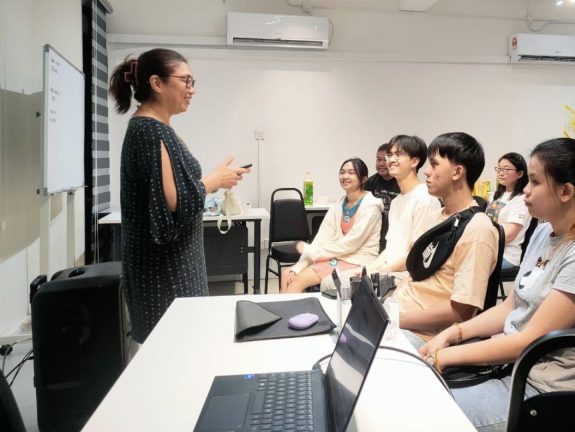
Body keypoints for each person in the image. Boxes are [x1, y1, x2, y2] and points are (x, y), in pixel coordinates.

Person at [419, 137, 575, 431]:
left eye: (534, 182)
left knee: (424, 415)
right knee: (417, 389)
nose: (526, 191)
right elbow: (511, 305)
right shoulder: (545, 232)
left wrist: (445, 356)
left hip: (548, 394)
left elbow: (528, 341)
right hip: (514, 369)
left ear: (566, 191)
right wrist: (453, 334)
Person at [109, 49, 250, 344]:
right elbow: (171, 203)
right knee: (173, 347)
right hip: (164, 271)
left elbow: (175, 191)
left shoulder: (157, 128)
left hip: (175, 264)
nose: (192, 89)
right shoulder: (148, 131)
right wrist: (214, 180)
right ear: (157, 83)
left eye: (192, 81)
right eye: (186, 80)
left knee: (182, 345)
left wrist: (216, 179)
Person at [395, 132, 499, 343]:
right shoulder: (436, 216)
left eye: (434, 164)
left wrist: (396, 320)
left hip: (421, 335)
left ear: (457, 172)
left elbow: (462, 312)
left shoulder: (478, 230)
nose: (426, 171)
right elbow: (419, 276)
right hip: (399, 313)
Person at [318, 135, 441, 291]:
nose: (390, 160)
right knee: (330, 282)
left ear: (414, 161)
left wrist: (380, 271)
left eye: (398, 155)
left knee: (336, 286)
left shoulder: (425, 198)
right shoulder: (396, 202)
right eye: (390, 155)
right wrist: (367, 269)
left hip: (406, 275)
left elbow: (418, 255)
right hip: (387, 269)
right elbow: (390, 250)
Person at [281, 158, 383, 293]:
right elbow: (321, 238)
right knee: (287, 274)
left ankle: (293, 308)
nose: (345, 176)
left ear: (363, 179)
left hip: (357, 260)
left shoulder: (371, 207)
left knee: (296, 281)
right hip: (338, 257)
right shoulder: (340, 204)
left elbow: (351, 244)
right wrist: (298, 266)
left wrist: (313, 253)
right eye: (342, 172)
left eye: (351, 172)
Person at [485, 152, 532, 276]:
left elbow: (509, 235)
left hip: (506, 256)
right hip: (488, 250)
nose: (500, 173)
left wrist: (480, 237)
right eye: (499, 169)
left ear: (520, 174)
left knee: (470, 266)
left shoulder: (522, 200)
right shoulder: (497, 195)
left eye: (506, 169)